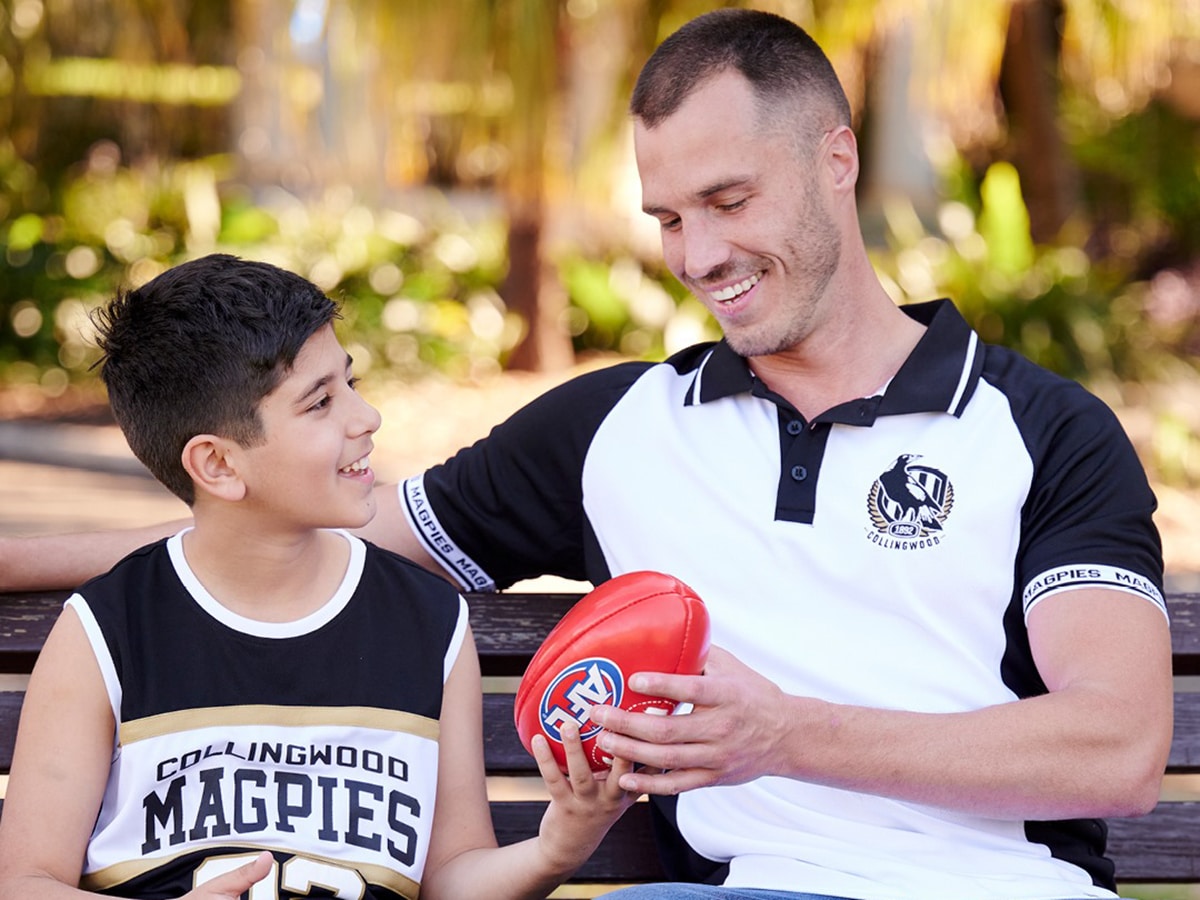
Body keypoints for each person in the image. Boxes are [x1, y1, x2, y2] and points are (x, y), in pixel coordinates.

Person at [0, 9, 1173, 900]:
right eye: (667, 218)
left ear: (837, 159)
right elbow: (286, 528)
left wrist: (784, 733)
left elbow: (1117, 747)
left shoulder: (1040, 430)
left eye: (727, 199)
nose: (696, 254)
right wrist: (24, 554)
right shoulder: (618, 428)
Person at [0, 254, 637, 900]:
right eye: (321, 403)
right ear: (217, 465)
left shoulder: (428, 623)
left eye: (351, 383)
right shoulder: (106, 631)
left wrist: (555, 850)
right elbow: (24, 882)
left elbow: (452, 876)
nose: (365, 419)